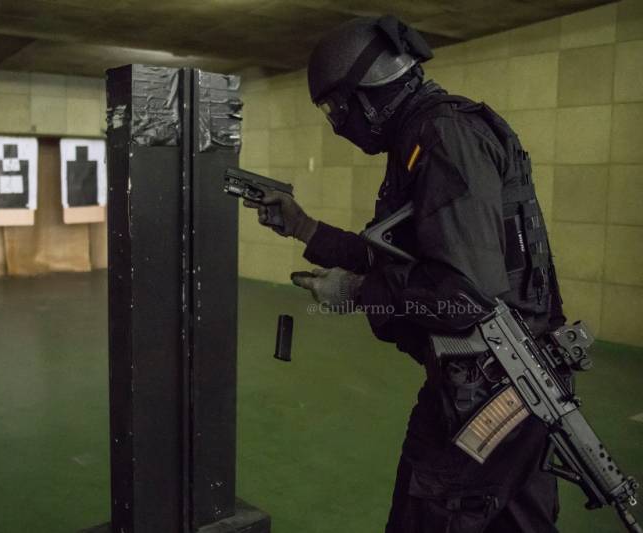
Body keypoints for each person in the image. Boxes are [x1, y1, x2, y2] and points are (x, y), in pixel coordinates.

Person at [243, 15, 567, 533]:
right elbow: (402, 260)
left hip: (490, 390)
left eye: (335, 108)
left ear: (367, 96)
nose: (336, 124)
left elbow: (464, 296)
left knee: (429, 515)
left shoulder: (443, 138)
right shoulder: (424, 136)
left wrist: (357, 292)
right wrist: (304, 228)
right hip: (499, 384)